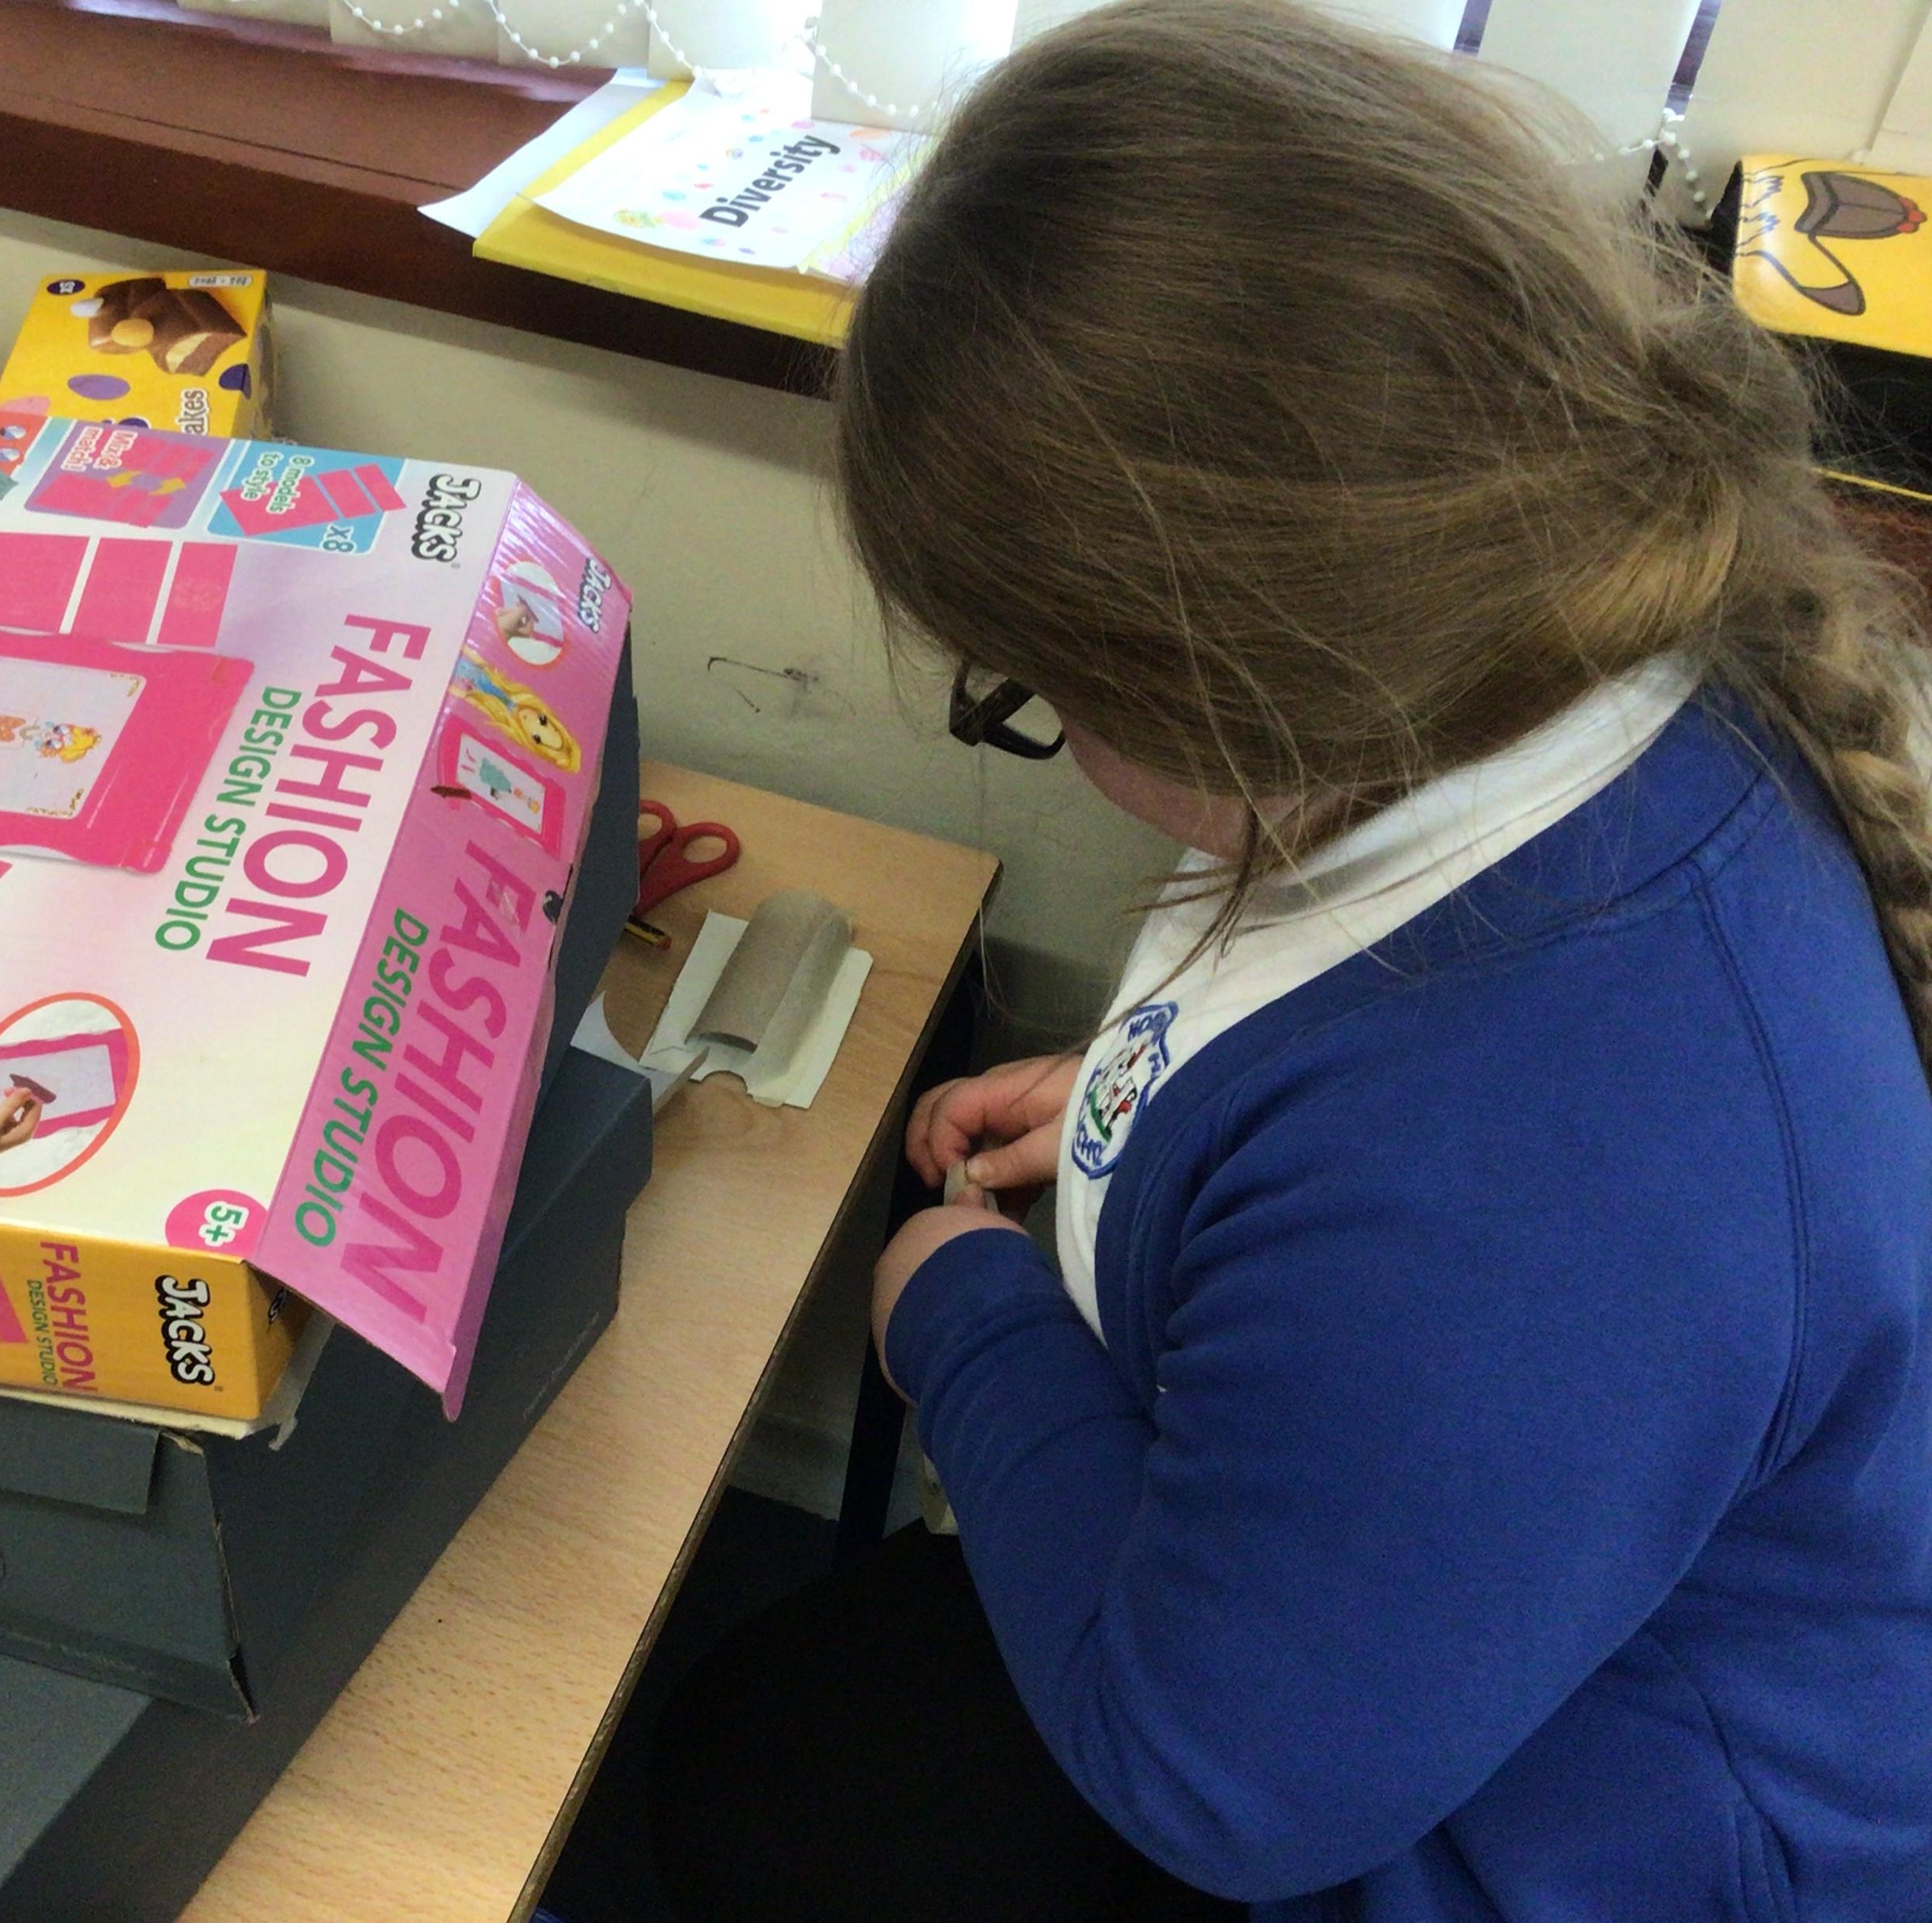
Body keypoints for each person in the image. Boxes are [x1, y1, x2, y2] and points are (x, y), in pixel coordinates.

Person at [650, 2, 1932, 1918]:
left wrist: (955, 1312)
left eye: (1032, 693)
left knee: (753, 1805)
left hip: (1559, 1851)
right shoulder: (1581, 660)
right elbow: (1381, 1097)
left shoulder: (1530, 1164)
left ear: (1216, 676)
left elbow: (1218, 1779)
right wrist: (1166, 1110)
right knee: (770, 1749)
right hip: (1450, 1655)